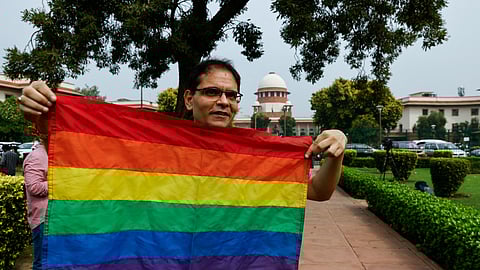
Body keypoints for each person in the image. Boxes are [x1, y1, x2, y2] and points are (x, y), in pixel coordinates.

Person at [18, 58, 346, 202]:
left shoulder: (257, 154)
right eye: (212, 92)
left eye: (231, 95)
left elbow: (318, 192)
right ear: (190, 98)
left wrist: (336, 151)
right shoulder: (154, 146)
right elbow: (85, 158)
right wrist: (44, 117)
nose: (223, 102)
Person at [22, 137, 48, 270]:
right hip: (43, 220)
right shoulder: (37, 156)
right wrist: (60, 181)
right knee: (42, 263)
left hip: (55, 218)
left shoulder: (51, 154)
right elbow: (34, 187)